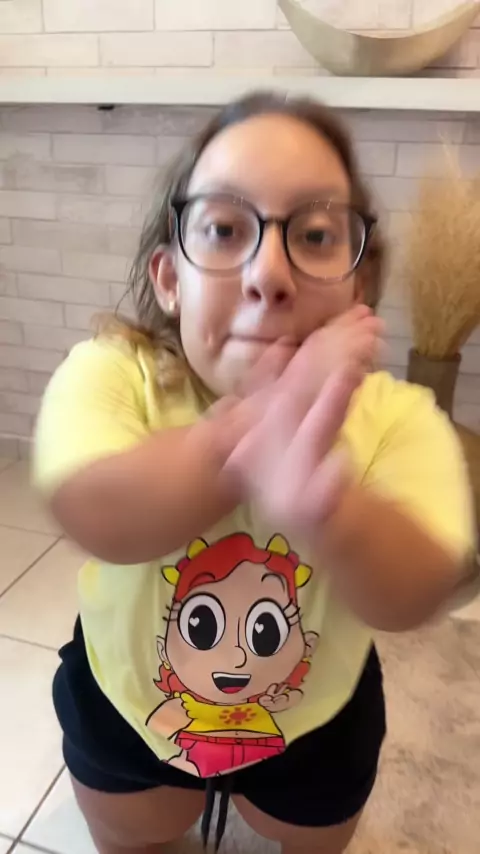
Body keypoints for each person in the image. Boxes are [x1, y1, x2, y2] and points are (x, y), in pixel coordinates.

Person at [33, 91, 475, 854]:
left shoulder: (398, 419)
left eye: (315, 234)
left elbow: (419, 588)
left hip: (315, 721)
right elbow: (92, 508)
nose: (269, 273)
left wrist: (329, 509)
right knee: (133, 838)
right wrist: (268, 420)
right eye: (224, 229)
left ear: (359, 283)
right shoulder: (111, 373)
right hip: (131, 704)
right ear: (169, 278)